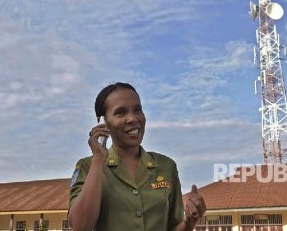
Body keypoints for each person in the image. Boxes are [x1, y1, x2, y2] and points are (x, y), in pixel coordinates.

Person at [68, 82, 206, 231]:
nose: (133, 118)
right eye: (120, 112)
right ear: (105, 123)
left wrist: (189, 222)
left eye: (137, 110)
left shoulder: (166, 166)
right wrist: (98, 159)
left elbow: (173, 227)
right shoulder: (87, 167)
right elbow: (80, 227)